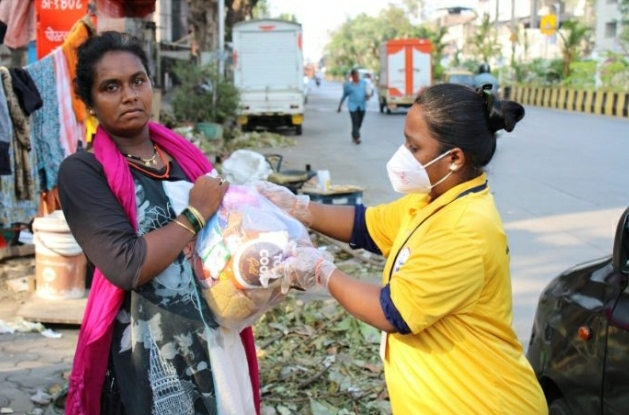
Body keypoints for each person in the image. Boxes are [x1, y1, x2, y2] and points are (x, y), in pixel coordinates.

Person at [257, 83, 548, 414]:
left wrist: (320, 270)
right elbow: (365, 225)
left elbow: (391, 312)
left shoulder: (465, 229)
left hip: (481, 402)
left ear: (454, 159)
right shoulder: (431, 201)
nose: (403, 155)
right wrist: (297, 207)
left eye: (414, 147)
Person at [57, 31, 260, 415]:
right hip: (148, 360)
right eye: (111, 87)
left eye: (138, 81)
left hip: (216, 347)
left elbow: (226, 240)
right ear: (89, 102)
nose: (130, 95)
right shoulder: (83, 172)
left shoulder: (184, 158)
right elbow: (126, 264)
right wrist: (195, 214)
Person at [337, 68, 372, 144]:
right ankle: (357, 137)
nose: (357, 77)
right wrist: (340, 106)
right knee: (355, 122)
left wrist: (368, 96)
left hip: (362, 106)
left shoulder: (364, 83)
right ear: (352, 76)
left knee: (360, 122)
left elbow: (369, 92)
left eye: (357, 75)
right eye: (355, 75)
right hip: (352, 107)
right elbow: (344, 96)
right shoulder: (348, 86)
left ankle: (354, 134)